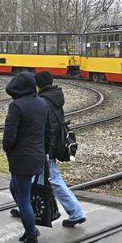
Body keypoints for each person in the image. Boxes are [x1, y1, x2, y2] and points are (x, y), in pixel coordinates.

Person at [3, 71, 53, 243]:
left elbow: (9, 136)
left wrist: (8, 149)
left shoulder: (16, 106)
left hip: (21, 158)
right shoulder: (42, 103)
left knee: (23, 199)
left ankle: (32, 237)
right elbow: (48, 132)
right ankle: (30, 226)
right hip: (36, 156)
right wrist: (45, 152)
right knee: (14, 188)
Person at [32, 71, 86, 227]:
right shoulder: (54, 97)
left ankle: (76, 212)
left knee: (54, 180)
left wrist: (46, 151)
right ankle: (25, 207)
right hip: (50, 146)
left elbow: (45, 128)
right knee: (32, 178)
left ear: (38, 85)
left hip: (47, 149)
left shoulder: (43, 101)